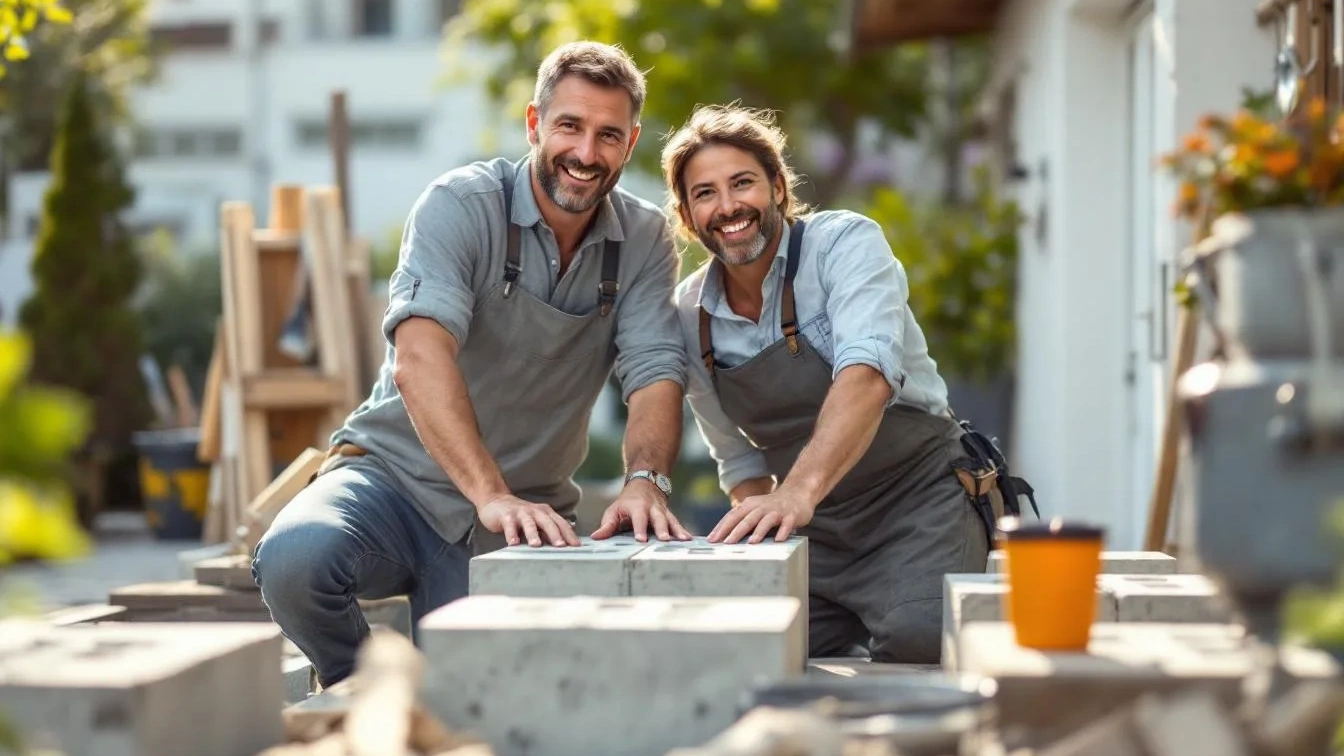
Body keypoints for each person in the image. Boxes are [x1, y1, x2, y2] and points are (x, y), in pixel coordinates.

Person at [253, 41, 693, 688]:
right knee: (295, 559)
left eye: (608, 136)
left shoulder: (645, 239)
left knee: (490, 703)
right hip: (394, 482)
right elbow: (419, 358)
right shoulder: (460, 205)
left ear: (629, 146)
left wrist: (645, 478)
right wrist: (488, 494)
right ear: (534, 124)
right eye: (569, 126)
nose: (586, 154)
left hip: (524, 517)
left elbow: (655, 367)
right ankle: (355, 688)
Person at [662, 103, 1010, 664]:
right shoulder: (688, 312)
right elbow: (740, 464)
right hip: (813, 528)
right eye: (705, 193)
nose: (727, 207)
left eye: (743, 183)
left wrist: (797, 493)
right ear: (686, 214)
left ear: (777, 187)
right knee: (740, 644)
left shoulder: (844, 245)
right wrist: (765, 548)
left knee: (917, 637)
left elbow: (867, 377)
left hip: (917, 500)